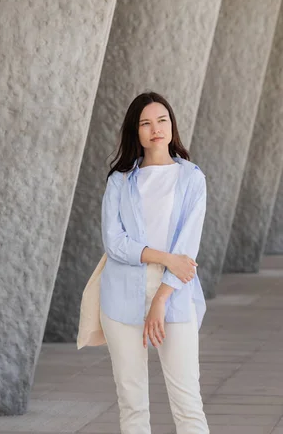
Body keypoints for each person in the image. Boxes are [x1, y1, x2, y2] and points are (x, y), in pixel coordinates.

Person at [100, 91, 209, 434]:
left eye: (162, 120)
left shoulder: (192, 178)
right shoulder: (119, 181)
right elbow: (114, 244)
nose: (155, 128)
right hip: (122, 295)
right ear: (136, 132)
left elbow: (188, 249)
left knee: (188, 401)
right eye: (145, 123)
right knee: (132, 404)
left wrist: (160, 299)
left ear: (172, 126)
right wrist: (163, 257)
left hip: (174, 294)